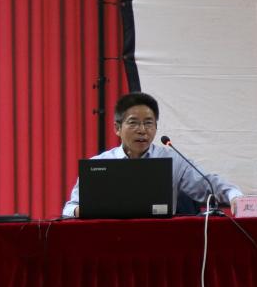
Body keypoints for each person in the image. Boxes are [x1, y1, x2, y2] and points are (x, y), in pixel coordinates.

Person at [63, 92, 243, 217]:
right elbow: (69, 209)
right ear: (117, 128)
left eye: (148, 123)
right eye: (133, 123)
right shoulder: (99, 163)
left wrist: (234, 195)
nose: (142, 130)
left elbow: (208, 185)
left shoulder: (172, 160)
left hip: (162, 240)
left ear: (156, 127)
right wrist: (91, 211)